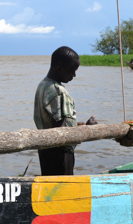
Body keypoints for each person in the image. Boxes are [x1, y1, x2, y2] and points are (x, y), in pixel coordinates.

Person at [34, 46, 97, 176]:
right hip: (60, 154)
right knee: (63, 189)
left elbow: (54, 123)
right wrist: (88, 129)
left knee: (50, 188)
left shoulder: (43, 85)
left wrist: (75, 125)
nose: (74, 75)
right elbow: (60, 133)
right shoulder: (58, 92)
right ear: (59, 68)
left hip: (45, 150)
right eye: (72, 71)